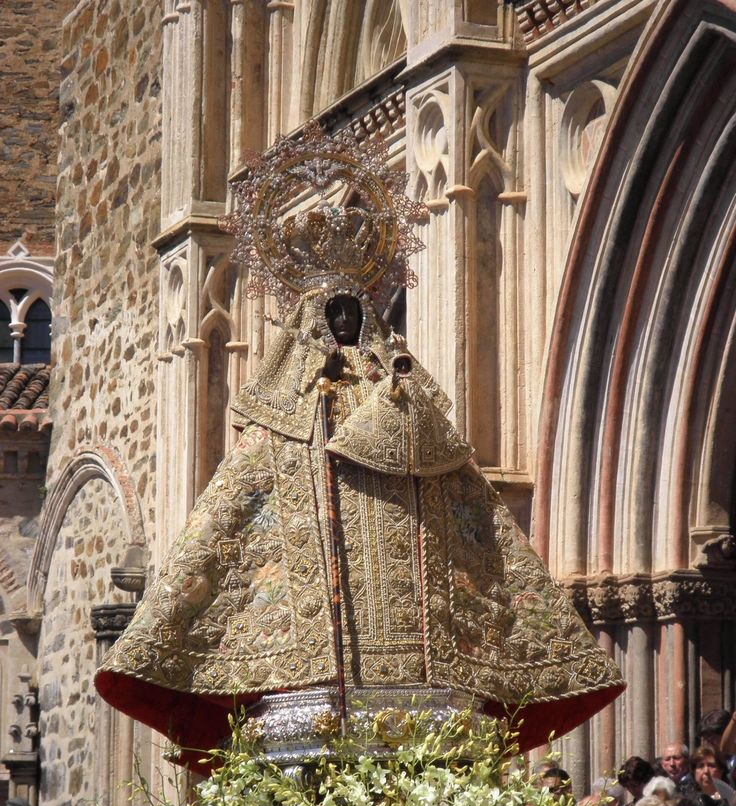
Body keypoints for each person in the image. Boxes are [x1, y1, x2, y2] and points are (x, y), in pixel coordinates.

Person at [95, 124, 625, 772]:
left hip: (416, 653)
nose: (344, 322)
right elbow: (235, 511)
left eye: (352, 310)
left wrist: (397, 402)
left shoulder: (401, 388)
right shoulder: (287, 413)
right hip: (317, 663)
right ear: (312, 318)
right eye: (332, 312)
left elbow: (456, 484)